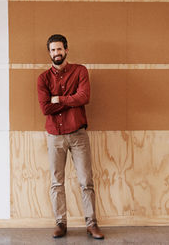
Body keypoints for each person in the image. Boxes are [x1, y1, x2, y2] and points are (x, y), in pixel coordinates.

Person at [37, 34, 104, 239]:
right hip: (54, 136)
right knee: (57, 182)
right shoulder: (43, 79)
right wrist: (70, 100)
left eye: (59, 49)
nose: (56, 53)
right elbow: (46, 108)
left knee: (86, 181)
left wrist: (59, 98)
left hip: (78, 134)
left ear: (66, 50)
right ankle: (60, 223)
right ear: (49, 53)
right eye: (52, 50)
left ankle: (91, 224)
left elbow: (84, 97)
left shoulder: (80, 71)